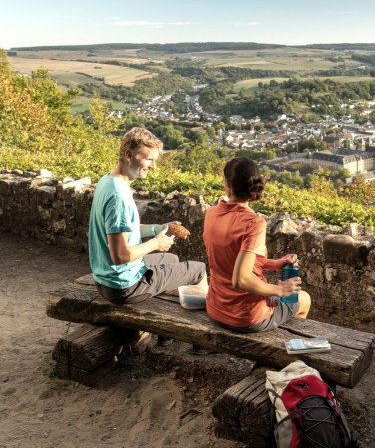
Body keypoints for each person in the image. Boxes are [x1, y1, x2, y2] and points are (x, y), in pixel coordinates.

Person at [88, 127, 207, 344]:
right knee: (198, 270)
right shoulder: (119, 197)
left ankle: (164, 332)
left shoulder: (109, 181)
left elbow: (123, 229)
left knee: (171, 260)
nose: (153, 166)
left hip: (105, 278)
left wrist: (158, 228)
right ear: (128, 154)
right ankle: (201, 342)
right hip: (123, 286)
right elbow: (121, 255)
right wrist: (156, 243)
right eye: (149, 159)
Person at [203, 157, 311, 332]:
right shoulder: (253, 223)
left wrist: (276, 264)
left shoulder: (211, 214)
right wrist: (280, 290)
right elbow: (241, 280)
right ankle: (282, 353)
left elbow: (231, 259)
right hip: (245, 317)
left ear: (226, 183)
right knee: (304, 299)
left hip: (216, 309)